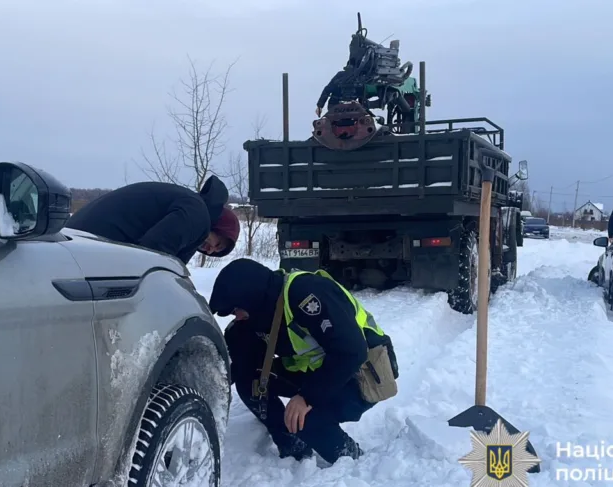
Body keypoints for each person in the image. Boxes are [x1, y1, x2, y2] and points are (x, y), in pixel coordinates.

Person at [208, 258, 399, 465]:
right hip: (321, 371)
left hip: (364, 372)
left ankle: (353, 462)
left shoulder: (306, 294)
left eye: (236, 309)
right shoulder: (259, 314)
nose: (235, 316)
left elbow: (351, 351)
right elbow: (240, 366)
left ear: (251, 297)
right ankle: (294, 446)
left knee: (304, 420)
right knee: (252, 382)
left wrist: (306, 397)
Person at [66, 176, 240, 264]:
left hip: (79, 238)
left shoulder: (191, 207)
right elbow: (152, 255)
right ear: (216, 225)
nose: (210, 251)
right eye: (217, 243)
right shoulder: (197, 214)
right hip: (86, 243)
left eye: (217, 251)